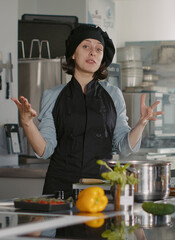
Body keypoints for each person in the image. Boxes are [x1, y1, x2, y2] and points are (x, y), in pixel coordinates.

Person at [12, 24, 162, 197]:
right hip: (61, 187)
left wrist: (141, 123)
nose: (93, 52)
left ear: (102, 59)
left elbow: (123, 146)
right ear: (73, 54)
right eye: (86, 46)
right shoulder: (53, 95)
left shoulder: (113, 95)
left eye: (98, 49)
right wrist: (27, 123)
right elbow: (44, 150)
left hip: (102, 187)